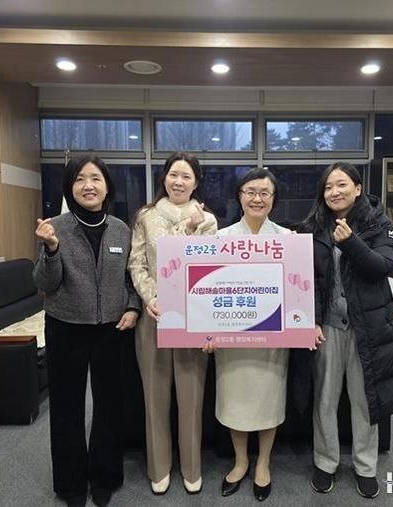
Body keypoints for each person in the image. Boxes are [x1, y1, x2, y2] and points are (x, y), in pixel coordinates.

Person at [33, 155, 141, 507]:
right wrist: (51, 250)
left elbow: (130, 278)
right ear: (70, 187)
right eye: (79, 179)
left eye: (95, 178)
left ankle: (105, 477)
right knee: (67, 407)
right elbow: (45, 283)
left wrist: (132, 307)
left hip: (112, 327)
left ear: (107, 186)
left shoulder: (121, 229)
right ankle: (71, 484)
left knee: (110, 405)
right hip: (65, 326)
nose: (88, 185)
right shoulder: (54, 228)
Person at [299, 162, 393, 499]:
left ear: (358, 188)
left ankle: (365, 466)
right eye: (328, 187)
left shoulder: (378, 223)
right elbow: (306, 279)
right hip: (328, 327)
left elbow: (382, 267)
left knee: (365, 400)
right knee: (325, 400)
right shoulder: (314, 226)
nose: (334, 192)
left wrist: (350, 242)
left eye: (342, 184)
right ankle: (325, 462)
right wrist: (311, 320)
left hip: (367, 327)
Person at [128, 151, 218, 495]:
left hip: (193, 318)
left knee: (192, 397)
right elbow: (137, 263)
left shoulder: (207, 220)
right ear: (164, 177)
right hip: (154, 316)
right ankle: (159, 466)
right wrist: (151, 297)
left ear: (196, 183)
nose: (178, 182)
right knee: (155, 397)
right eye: (173, 175)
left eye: (186, 176)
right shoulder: (146, 216)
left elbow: (202, 266)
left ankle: (192, 467)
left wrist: (190, 227)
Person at [206, 168, 290, 502]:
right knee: (236, 403)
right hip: (232, 340)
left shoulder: (287, 239)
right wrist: (207, 331)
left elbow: (297, 291)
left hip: (271, 339)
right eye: (250, 192)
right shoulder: (220, 238)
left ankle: (264, 463)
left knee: (268, 402)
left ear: (273, 199)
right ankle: (241, 461)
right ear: (240, 197)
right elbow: (209, 293)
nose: (257, 199)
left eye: (264, 193)